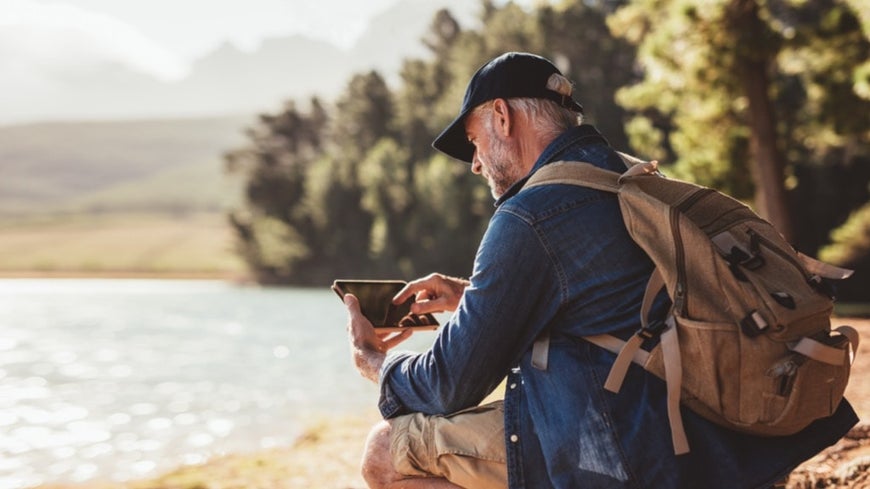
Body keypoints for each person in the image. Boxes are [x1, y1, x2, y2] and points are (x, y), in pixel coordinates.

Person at [339, 52, 858, 489]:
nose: (475, 163)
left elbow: (450, 383)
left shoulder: (529, 218)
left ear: (502, 116)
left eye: (473, 141)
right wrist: (470, 294)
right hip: (713, 436)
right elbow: (605, 297)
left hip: (627, 456)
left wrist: (374, 364)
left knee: (386, 451)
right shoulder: (625, 177)